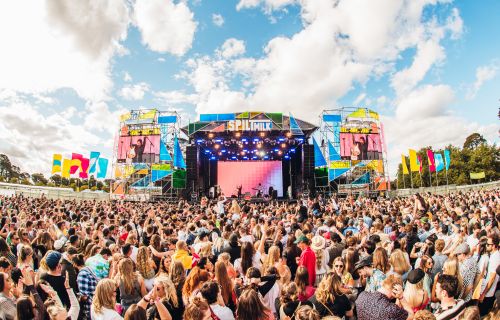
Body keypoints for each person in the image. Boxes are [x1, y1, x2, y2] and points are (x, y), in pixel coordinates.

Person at [478, 234, 499, 316]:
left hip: (488, 294)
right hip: (487, 292)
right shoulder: (493, 255)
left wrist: (483, 294)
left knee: (483, 314)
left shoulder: (495, 258)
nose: (486, 246)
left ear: (493, 246)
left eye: (488, 244)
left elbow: (492, 278)